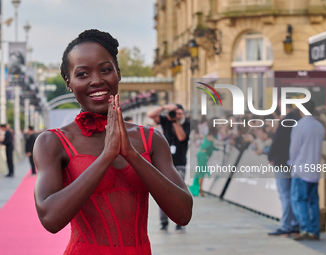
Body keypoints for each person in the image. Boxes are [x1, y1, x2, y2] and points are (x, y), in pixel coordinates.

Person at [33, 29, 192, 255]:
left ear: (118, 73)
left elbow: (183, 214)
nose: (96, 80)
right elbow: (50, 219)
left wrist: (132, 155)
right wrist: (107, 155)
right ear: (68, 83)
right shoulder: (52, 142)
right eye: (82, 74)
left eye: (106, 70)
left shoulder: (151, 138)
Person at [147, 103, 190, 232]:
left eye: (180, 114)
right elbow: (151, 115)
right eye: (176, 113)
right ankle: (164, 222)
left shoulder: (185, 123)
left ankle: (180, 221)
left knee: (179, 194)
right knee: (164, 194)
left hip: (180, 164)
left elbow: (182, 137)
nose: (177, 115)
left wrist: (176, 122)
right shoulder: (166, 120)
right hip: (165, 164)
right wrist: (165, 108)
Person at [288, 100, 325, 241]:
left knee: (299, 200)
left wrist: (292, 163)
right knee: (313, 201)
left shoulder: (299, 126)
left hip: (301, 168)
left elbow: (294, 148)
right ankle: (314, 230)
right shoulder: (319, 126)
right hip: (314, 168)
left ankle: (306, 228)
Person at [267, 104, 300, 237]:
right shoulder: (297, 120)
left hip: (282, 161)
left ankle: (286, 225)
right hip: (293, 161)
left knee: (285, 194)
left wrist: (270, 156)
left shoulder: (285, 121)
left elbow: (277, 141)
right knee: (291, 194)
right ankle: (293, 224)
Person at [190, 119, 219, 197]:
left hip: (202, 154)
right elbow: (215, 145)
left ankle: (197, 189)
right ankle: (200, 190)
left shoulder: (209, 135)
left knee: (199, 172)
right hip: (203, 155)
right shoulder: (211, 137)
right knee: (201, 172)